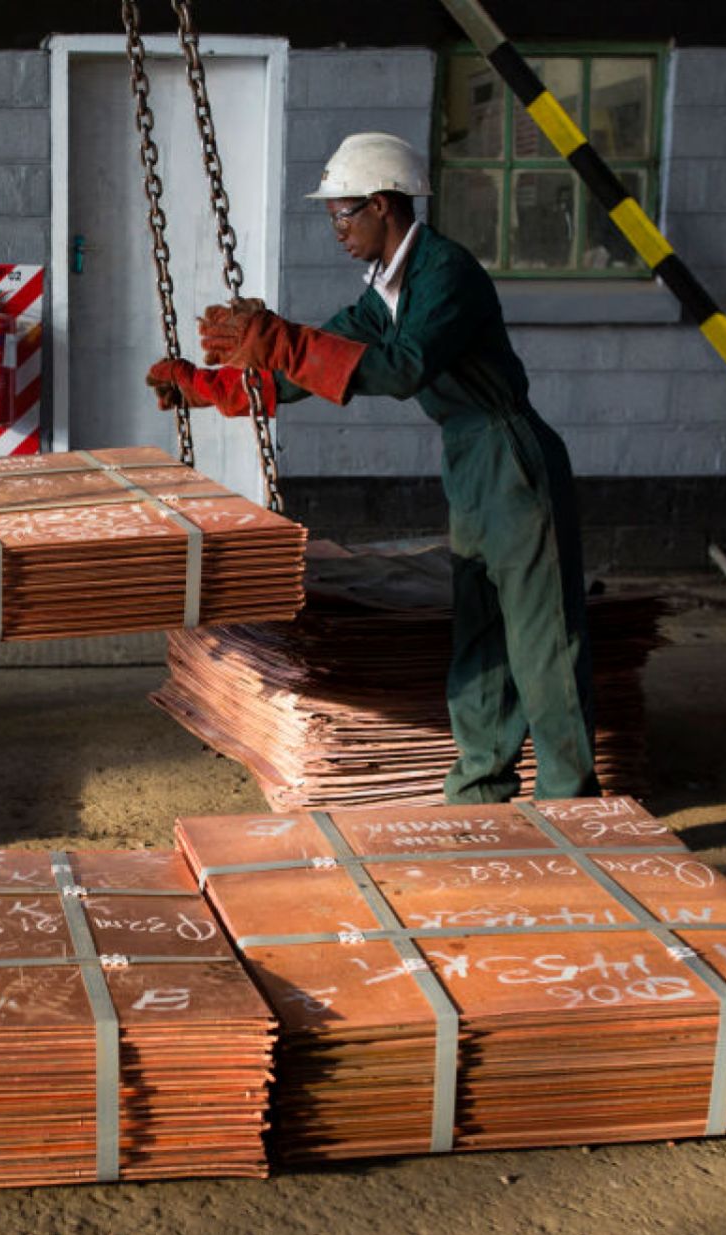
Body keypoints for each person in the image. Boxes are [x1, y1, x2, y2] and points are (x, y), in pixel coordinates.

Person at [147, 132, 597, 802]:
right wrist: (208, 386)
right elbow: (317, 366)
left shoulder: (446, 273)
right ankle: (480, 786)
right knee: (479, 631)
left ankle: (570, 801)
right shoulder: (384, 293)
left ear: (385, 205)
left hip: (512, 456)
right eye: (332, 214)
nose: (336, 228)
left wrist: (285, 341)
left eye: (343, 212)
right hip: (470, 462)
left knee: (541, 640)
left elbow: (402, 365)